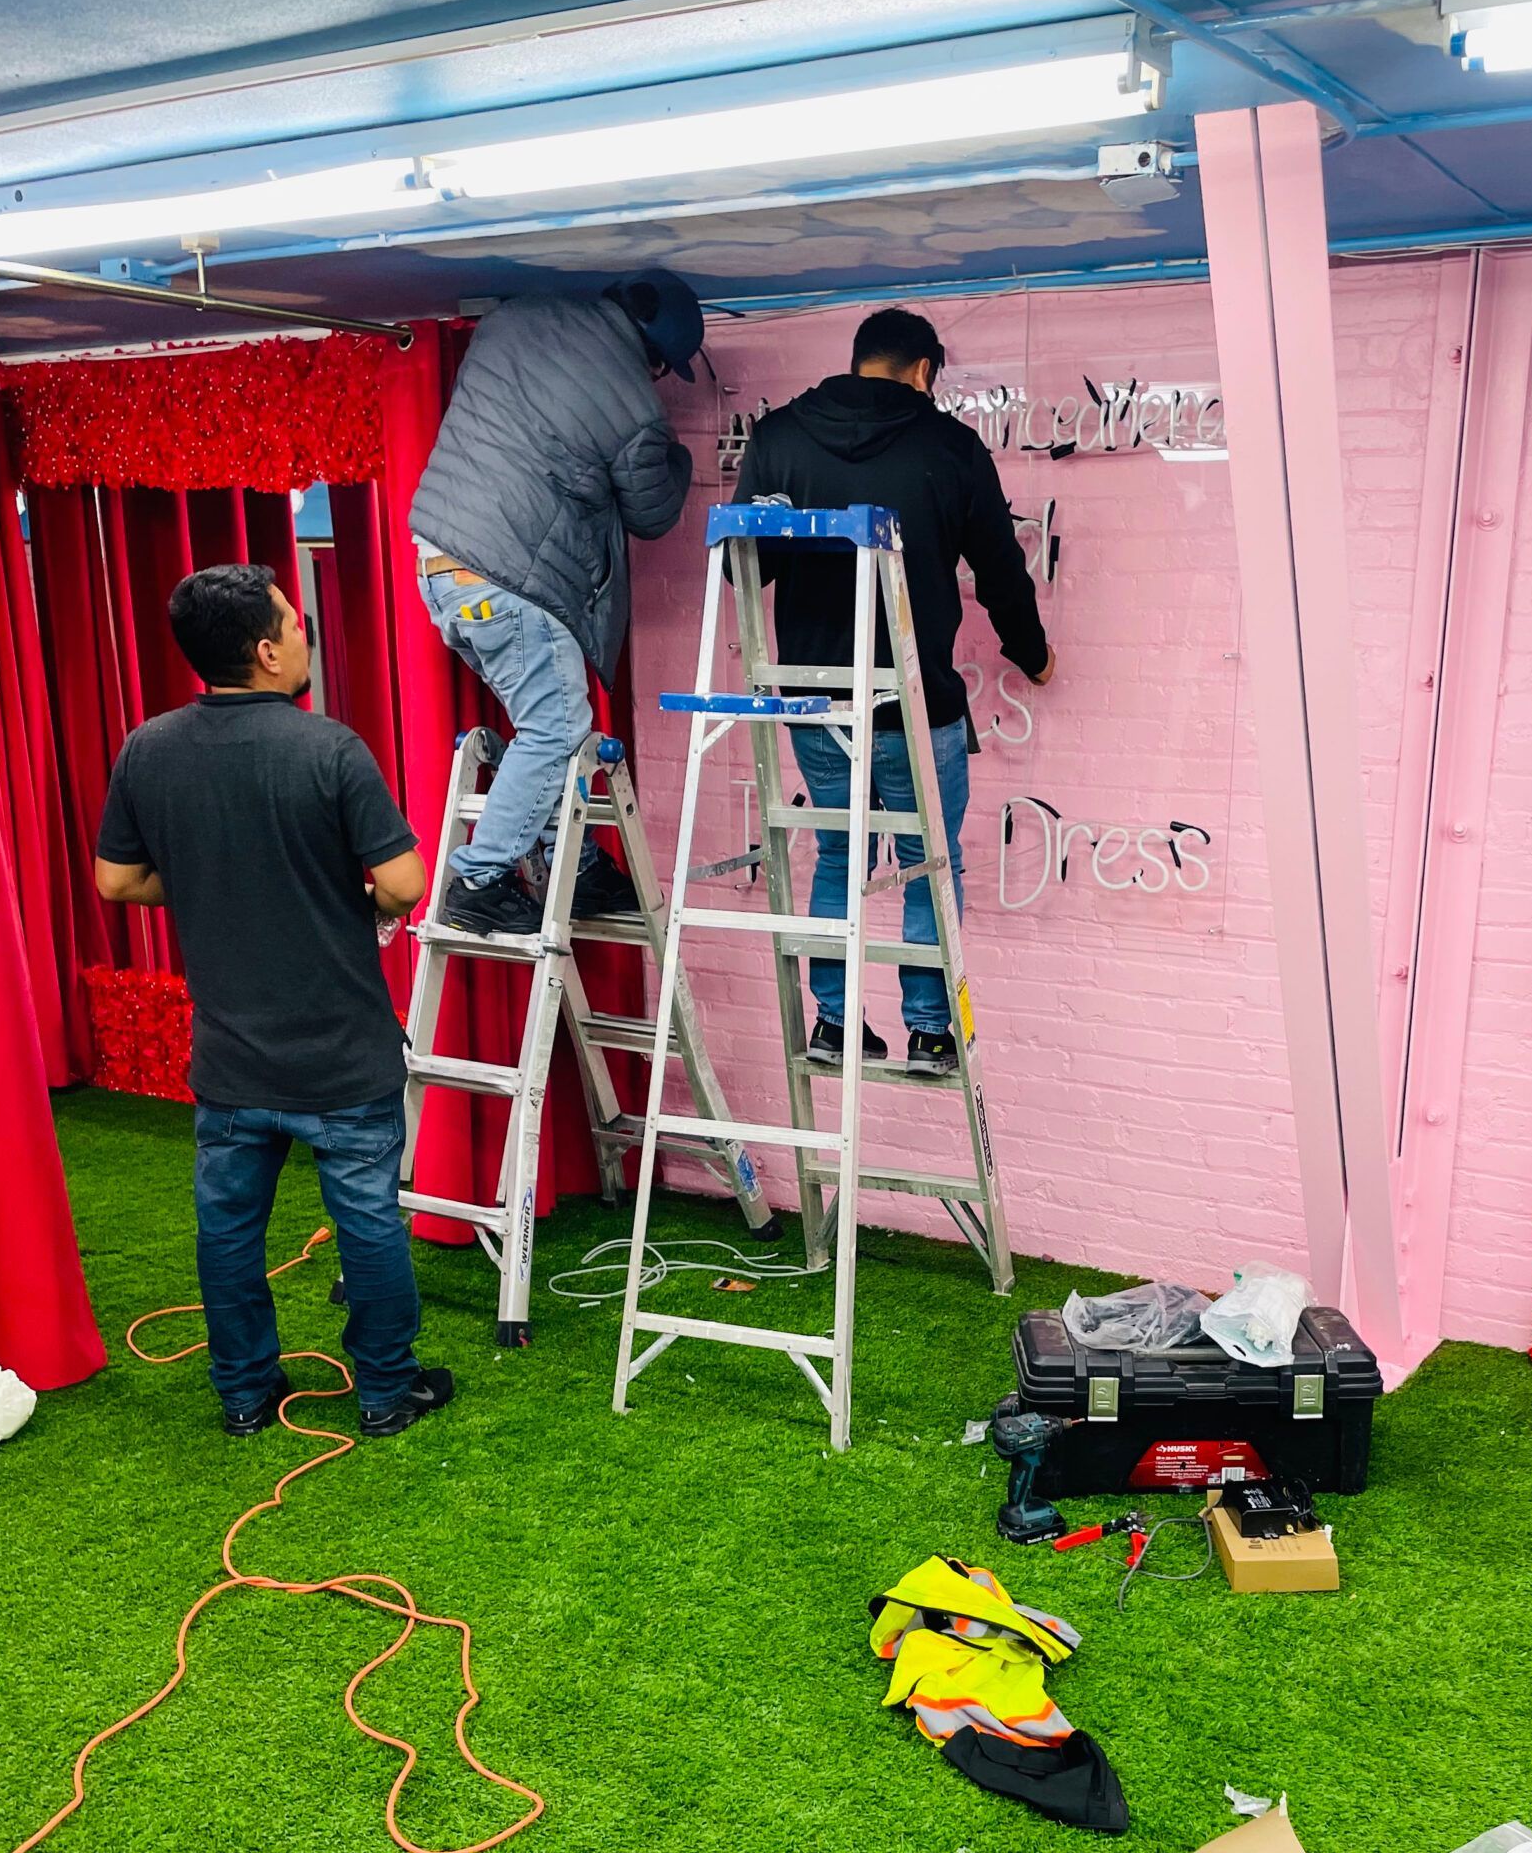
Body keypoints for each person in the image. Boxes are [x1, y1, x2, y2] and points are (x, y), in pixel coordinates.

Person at [94, 564, 451, 1441]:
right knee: (367, 1225)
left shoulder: (148, 748)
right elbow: (405, 884)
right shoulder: (329, 749)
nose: (303, 634)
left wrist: (218, 883)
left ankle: (246, 1394)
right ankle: (383, 1392)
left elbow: (117, 880)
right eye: (293, 622)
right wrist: (351, 899)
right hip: (342, 1058)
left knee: (227, 1231)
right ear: (264, 651)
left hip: (230, 1063)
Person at [735, 306, 1053, 1076]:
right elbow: (999, 570)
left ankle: (834, 1025)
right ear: (922, 371)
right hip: (916, 703)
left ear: (858, 362)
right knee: (926, 860)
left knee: (838, 855)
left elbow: (743, 564)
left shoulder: (778, 437)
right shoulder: (950, 446)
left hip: (812, 697)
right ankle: (930, 1030)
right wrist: (1031, 653)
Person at [408, 272, 702, 936]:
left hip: (440, 564)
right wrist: (675, 456)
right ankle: (479, 879)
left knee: (545, 725)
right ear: (655, 354)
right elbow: (652, 513)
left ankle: (563, 863)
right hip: (509, 578)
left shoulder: (515, 317)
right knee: (559, 728)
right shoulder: (634, 406)